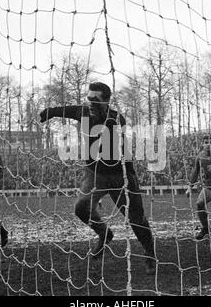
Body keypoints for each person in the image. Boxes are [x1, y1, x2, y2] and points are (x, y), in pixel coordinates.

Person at [39, 82, 156, 275]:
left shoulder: (117, 119)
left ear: (107, 101)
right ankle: (104, 233)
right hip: (95, 175)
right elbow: (67, 110)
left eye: (95, 99)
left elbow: (120, 150)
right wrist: (50, 112)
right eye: (88, 98)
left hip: (121, 175)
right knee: (81, 208)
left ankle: (150, 254)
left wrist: (131, 178)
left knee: (136, 219)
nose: (90, 102)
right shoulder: (84, 111)